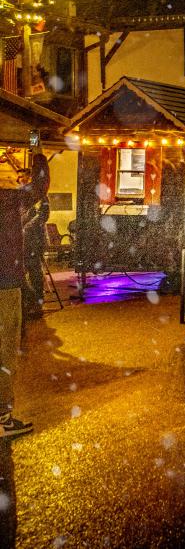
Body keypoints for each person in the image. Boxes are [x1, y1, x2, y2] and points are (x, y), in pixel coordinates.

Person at [1, 149, 48, 438]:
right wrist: (38, 153)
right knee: (5, 349)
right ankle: (2, 418)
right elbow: (39, 187)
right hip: (4, 280)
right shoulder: (6, 198)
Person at [20, 176, 48, 321]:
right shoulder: (21, 195)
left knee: (34, 271)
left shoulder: (40, 196)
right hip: (22, 240)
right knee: (21, 271)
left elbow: (43, 215)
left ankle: (37, 301)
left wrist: (26, 226)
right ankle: (29, 300)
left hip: (34, 240)